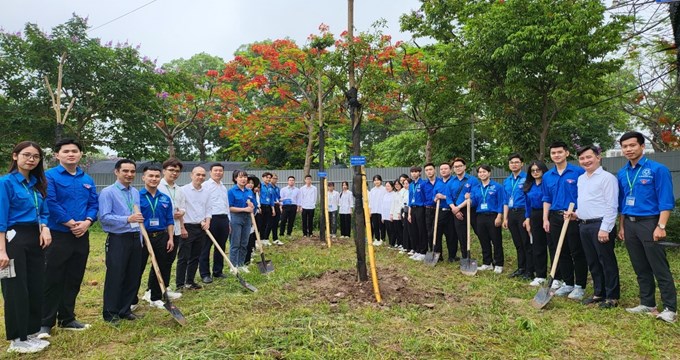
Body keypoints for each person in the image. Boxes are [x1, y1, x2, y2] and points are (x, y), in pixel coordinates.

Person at [38, 139, 97, 339]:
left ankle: (67, 318)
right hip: (58, 235)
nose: (71, 154)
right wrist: (71, 223)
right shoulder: (49, 176)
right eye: (66, 151)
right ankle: (45, 322)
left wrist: (87, 222)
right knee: (52, 278)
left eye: (75, 151)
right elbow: (50, 202)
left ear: (81, 154)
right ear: (57, 155)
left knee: (74, 277)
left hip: (82, 235)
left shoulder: (86, 178)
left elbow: (93, 204)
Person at [617, 131, 677, 323]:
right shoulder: (622, 172)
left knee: (659, 266)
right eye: (625, 146)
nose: (628, 149)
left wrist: (661, 225)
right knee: (640, 266)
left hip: (650, 223)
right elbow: (622, 203)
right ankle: (647, 303)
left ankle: (669, 308)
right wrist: (622, 226)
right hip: (630, 224)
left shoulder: (658, 169)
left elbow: (666, 200)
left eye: (632, 145)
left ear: (642, 146)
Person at [0, 141, 51, 353]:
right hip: (14, 239)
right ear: (15, 156)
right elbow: (1, 219)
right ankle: (17, 339)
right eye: (26, 155)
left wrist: (45, 227)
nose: (31, 159)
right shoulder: (6, 183)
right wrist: (1, 251)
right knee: (16, 289)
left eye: (36, 156)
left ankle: (30, 333)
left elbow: (44, 211)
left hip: (35, 238)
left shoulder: (37, 184)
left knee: (35, 286)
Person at [565, 146, 620, 309]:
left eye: (589, 157)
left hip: (601, 225)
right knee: (593, 261)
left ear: (598, 157)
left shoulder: (607, 178)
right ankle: (598, 293)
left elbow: (612, 205)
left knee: (606, 261)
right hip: (584, 225)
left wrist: (606, 228)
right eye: (582, 158)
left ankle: (612, 296)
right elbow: (587, 201)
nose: (585, 161)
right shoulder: (582, 179)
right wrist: (576, 214)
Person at [542, 141, 587, 300]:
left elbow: (584, 195)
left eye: (559, 152)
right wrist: (545, 218)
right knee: (561, 251)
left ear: (567, 153)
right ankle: (568, 283)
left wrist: (577, 212)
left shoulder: (578, 172)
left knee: (577, 251)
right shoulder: (547, 176)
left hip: (573, 217)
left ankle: (580, 286)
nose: (556, 155)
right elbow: (546, 198)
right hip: (555, 216)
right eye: (553, 153)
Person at [99, 159, 142, 323]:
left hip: (135, 237)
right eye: (125, 171)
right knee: (116, 276)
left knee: (133, 275)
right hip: (118, 239)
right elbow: (104, 217)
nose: (129, 174)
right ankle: (110, 313)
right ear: (116, 172)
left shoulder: (135, 192)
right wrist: (127, 219)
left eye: (132, 171)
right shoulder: (108, 192)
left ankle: (125, 310)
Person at [137, 166, 175, 310]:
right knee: (137, 268)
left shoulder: (164, 198)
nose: (154, 179)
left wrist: (170, 238)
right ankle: (132, 299)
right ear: (144, 178)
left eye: (157, 176)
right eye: (150, 176)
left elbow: (170, 219)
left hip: (161, 236)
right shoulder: (137, 196)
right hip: (142, 236)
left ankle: (156, 297)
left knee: (161, 266)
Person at [177, 166, 211, 291]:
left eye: (203, 175)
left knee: (196, 256)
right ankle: (180, 284)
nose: (200, 177)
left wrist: (207, 222)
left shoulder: (206, 192)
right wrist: (182, 227)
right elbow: (179, 209)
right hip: (187, 227)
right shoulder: (183, 190)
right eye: (198, 174)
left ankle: (190, 281)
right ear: (192, 175)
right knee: (183, 257)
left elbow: (208, 209)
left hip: (201, 228)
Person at [468, 165, 505, 273]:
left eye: (484, 172)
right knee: (483, 240)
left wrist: (499, 216)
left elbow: (501, 202)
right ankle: (487, 262)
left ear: (489, 173)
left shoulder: (497, 187)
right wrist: (469, 199)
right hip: (480, 216)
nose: (482, 174)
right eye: (480, 172)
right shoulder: (476, 188)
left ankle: (498, 263)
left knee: (496, 240)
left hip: (493, 216)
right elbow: (474, 203)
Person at [157, 159, 185, 300]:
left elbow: (183, 206)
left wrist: (181, 213)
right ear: (164, 171)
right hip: (162, 230)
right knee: (160, 261)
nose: (174, 173)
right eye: (171, 170)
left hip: (176, 229)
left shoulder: (179, 189)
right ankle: (152, 290)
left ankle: (165, 287)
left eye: (177, 171)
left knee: (169, 261)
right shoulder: (158, 186)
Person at [502, 153, 533, 279]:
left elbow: (529, 199)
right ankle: (521, 268)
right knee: (518, 243)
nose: (514, 164)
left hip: (523, 212)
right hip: (511, 213)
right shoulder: (507, 181)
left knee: (526, 242)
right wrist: (505, 218)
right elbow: (505, 200)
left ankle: (530, 271)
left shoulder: (527, 179)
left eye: (516, 162)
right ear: (509, 165)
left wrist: (528, 217)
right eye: (511, 162)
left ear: (521, 164)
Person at [199, 163, 231, 284]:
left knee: (221, 246)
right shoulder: (205, 186)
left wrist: (228, 221)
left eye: (220, 171)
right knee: (205, 247)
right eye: (215, 170)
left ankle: (218, 271)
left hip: (223, 219)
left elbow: (226, 205)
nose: (218, 173)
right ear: (210, 172)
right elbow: (201, 202)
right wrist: (203, 220)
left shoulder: (223, 187)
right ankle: (205, 274)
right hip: (210, 219)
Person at [446, 157, 480, 262]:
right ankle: (465, 257)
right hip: (457, 211)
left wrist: (458, 207)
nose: (458, 168)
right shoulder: (451, 182)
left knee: (480, 233)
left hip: (471, 210)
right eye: (456, 167)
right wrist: (455, 209)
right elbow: (448, 197)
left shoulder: (472, 180)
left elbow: (473, 196)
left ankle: (488, 259)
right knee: (461, 235)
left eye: (460, 166)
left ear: (464, 167)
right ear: (453, 169)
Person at [523, 160, 550, 287]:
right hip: (534, 215)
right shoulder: (529, 186)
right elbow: (527, 205)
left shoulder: (548, 183)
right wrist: (527, 219)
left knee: (553, 246)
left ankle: (557, 277)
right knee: (538, 246)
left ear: (543, 170)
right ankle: (540, 275)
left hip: (549, 215)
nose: (535, 172)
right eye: (533, 170)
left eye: (538, 170)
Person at [228, 170, 255, 270]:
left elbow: (253, 204)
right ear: (235, 179)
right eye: (240, 177)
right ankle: (233, 265)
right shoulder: (231, 191)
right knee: (235, 243)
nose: (243, 179)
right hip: (236, 218)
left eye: (245, 177)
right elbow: (229, 207)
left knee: (244, 243)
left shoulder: (249, 191)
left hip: (247, 218)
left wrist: (252, 206)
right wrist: (244, 209)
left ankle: (241, 264)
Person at [433, 162, 457, 262]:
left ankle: (452, 256)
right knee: (437, 233)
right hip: (440, 212)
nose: (443, 170)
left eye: (446, 169)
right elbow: (433, 196)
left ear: (450, 170)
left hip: (451, 212)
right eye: (441, 169)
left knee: (451, 234)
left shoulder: (455, 181)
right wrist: (435, 198)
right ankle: (438, 255)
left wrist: (444, 197)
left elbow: (456, 197)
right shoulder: (438, 182)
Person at [407, 166, 427, 261]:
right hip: (413, 208)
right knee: (414, 230)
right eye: (412, 172)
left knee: (421, 229)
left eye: (416, 172)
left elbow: (425, 197)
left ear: (419, 173)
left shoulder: (423, 183)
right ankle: (417, 250)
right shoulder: (411, 185)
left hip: (420, 208)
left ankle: (423, 251)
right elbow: (410, 199)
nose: (414, 174)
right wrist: (409, 214)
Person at [422, 163, 440, 256]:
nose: (429, 171)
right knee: (430, 232)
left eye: (430, 169)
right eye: (427, 170)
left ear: (434, 170)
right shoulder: (424, 184)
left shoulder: (440, 182)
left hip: (439, 209)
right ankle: (433, 251)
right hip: (428, 210)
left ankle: (440, 253)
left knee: (439, 232)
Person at [244, 175, 261, 270]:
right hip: (244, 220)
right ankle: (243, 262)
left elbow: (255, 205)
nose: (250, 185)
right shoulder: (243, 193)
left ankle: (248, 260)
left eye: (252, 183)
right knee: (245, 241)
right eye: (248, 182)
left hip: (252, 219)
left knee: (250, 240)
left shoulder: (252, 193)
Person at [260, 172, 281, 245]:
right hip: (262, 206)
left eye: (269, 178)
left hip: (269, 206)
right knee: (262, 223)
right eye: (267, 177)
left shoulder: (270, 187)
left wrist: (273, 209)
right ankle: (261, 239)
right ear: (263, 178)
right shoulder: (260, 186)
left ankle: (265, 239)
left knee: (268, 222)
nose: (268, 179)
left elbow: (272, 198)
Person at [368, 175, 386, 246]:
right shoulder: (372, 190)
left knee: (382, 225)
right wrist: (370, 210)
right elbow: (370, 201)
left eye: (378, 180)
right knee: (375, 225)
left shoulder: (384, 189)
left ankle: (382, 239)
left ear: (381, 181)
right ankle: (377, 238)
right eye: (375, 180)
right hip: (374, 210)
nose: (376, 182)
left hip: (381, 210)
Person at [380, 181, 397, 247]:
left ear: (392, 187)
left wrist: (392, 215)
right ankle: (390, 242)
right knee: (388, 230)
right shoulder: (385, 195)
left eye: (388, 186)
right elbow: (382, 206)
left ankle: (393, 243)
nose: (387, 187)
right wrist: (382, 216)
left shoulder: (394, 194)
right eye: (386, 186)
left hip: (391, 215)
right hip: (385, 215)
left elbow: (394, 206)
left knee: (393, 230)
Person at [398, 175, 411, 254]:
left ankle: (411, 247)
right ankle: (406, 246)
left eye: (407, 183)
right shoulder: (403, 191)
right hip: (404, 210)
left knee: (410, 230)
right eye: (404, 183)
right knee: (405, 229)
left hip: (410, 210)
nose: (405, 185)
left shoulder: (411, 191)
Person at [390, 180, 404, 250]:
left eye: (398, 184)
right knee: (396, 229)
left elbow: (401, 204)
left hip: (399, 213)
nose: (397, 185)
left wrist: (399, 213)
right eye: (395, 184)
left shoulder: (402, 192)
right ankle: (398, 243)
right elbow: (393, 204)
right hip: (394, 214)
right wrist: (391, 214)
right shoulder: (395, 193)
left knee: (400, 229)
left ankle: (402, 243)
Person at [270, 174, 283, 244]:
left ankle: (275, 238)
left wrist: (282, 200)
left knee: (276, 223)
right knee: (269, 223)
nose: (275, 180)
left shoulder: (277, 188)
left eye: (276, 178)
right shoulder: (268, 188)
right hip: (271, 206)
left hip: (277, 206)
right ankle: (264, 238)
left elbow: (278, 197)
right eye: (273, 178)